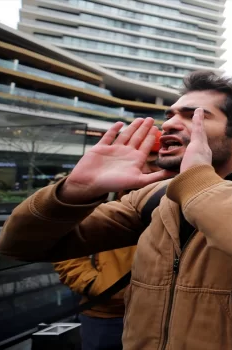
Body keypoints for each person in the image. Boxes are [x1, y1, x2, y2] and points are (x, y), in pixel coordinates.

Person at [0, 71, 232, 350]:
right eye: (171, 115)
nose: (171, 124)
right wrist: (73, 191)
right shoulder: (155, 198)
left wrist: (199, 183)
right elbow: (19, 245)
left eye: (194, 116)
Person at [52, 133, 163, 350]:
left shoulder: (179, 201)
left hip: (160, 315)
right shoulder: (96, 199)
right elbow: (63, 250)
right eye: (141, 163)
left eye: (154, 164)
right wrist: (96, 284)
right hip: (105, 314)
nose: (147, 170)